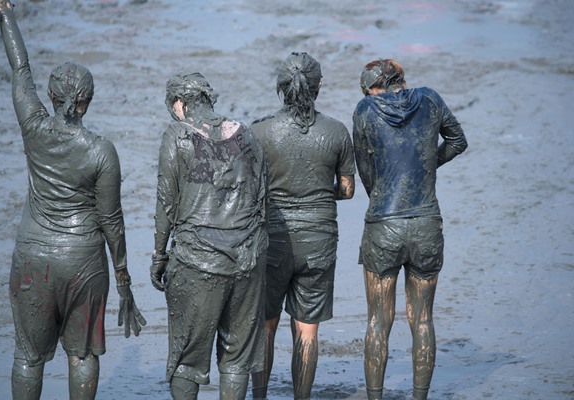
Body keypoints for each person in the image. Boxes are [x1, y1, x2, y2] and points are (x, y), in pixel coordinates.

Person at [0, 1, 147, 399]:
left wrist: (5, 13)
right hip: (84, 262)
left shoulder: (33, 127)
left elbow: (20, 69)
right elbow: (112, 219)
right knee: (81, 355)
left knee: (28, 355)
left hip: (33, 256)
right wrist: (124, 280)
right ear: (87, 101)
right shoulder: (101, 151)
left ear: (51, 95)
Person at [352, 59, 468, 400]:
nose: (366, 96)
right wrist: (425, 164)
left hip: (383, 226)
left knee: (378, 321)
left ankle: (375, 396)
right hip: (426, 224)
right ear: (400, 80)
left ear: (375, 87)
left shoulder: (364, 110)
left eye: (366, 90)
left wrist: (385, 194)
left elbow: (366, 172)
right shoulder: (430, 99)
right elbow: (458, 141)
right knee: (422, 320)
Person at [149, 72, 269, 400]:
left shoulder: (176, 135)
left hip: (196, 262)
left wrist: (159, 256)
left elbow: (166, 203)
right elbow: (263, 203)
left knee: (187, 362)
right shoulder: (246, 134)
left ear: (180, 104)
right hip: (247, 259)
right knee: (236, 360)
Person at [250, 52, 356, 400]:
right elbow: (347, 190)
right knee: (307, 330)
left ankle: (260, 395)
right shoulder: (337, 132)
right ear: (318, 86)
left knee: (265, 326)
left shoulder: (259, 132)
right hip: (319, 241)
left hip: (271, 243)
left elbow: (249, 192)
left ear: (281, 88)